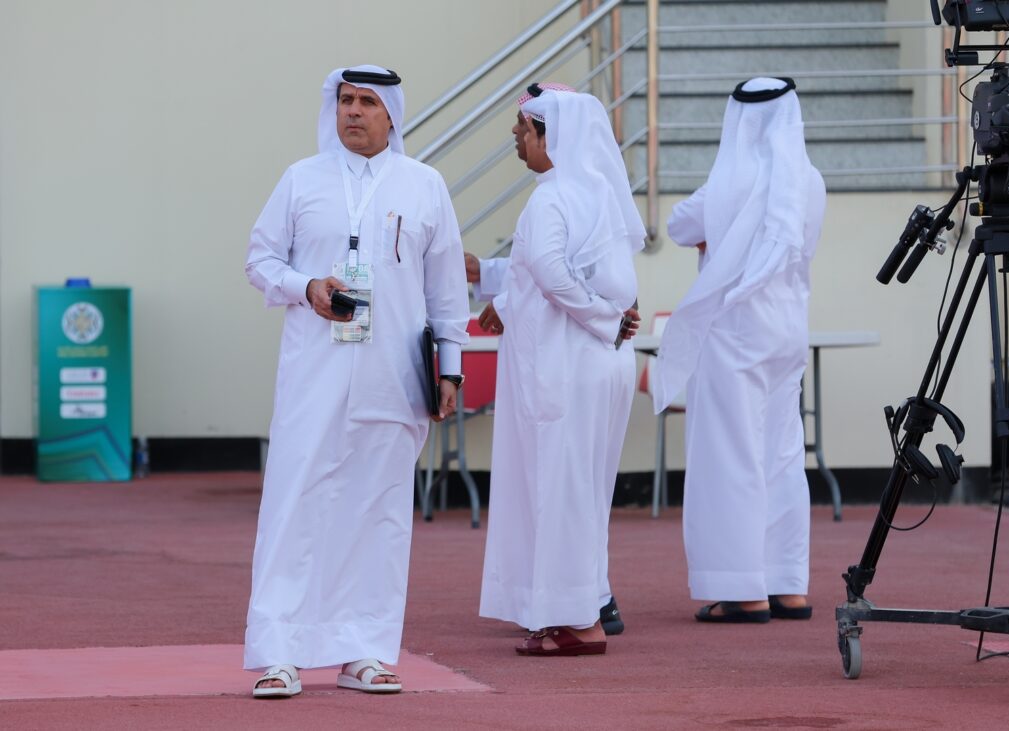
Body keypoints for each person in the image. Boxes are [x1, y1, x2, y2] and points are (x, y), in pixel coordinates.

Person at [243, 64, 470, 696]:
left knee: (380, 512)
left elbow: (446, 290)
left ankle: (364, 650)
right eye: (346, 100)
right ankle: (279, 652)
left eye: (368, 101)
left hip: (393, 378)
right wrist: (305, 287)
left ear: (391, 115)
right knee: (295, 504)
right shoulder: (301, 179)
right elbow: (260, 260)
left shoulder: (424, 185)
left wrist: (450, 368)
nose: (353, 111)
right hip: (313, 375)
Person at [651, 77, 826, 623]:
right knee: (782, 454)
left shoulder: (728, 181)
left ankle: (743, 589)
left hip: (735, 334)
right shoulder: (811, 180)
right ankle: (787, 585)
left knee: (730, 455)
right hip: (788, 329)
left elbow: (679, 225)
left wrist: (718, 237)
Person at [478, 89, 644, 656]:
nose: (516, 137)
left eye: (524, 128)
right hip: (601, 363)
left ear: (552, 137)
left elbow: (550, 271)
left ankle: (576, 622)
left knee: (560, 487)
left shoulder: (550, 196)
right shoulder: (599, 191)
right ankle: (584, 603)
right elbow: (602, 276)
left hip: (566, 364)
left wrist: (604, 319)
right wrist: (507, 301)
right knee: (582, 491)